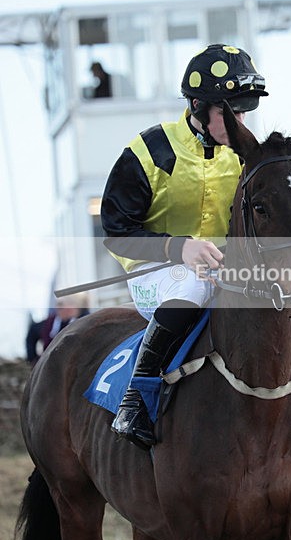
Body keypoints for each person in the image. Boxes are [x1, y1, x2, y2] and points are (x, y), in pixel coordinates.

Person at [101, 44, 268, 448]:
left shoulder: (244, 154)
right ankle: (134, 399)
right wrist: (180, 250)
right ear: (197, 105)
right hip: (154, 272)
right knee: (193, 286)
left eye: (243, 112)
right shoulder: (149, 151)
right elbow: (115, 232)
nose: (239, 121)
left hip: (223, 267)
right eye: (229, 112)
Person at [25, 296, 88, 365]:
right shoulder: (50, 323)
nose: (58, 309)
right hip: (51, 364)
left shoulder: (86, 323)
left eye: (61, 306)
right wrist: (34, 360)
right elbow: (31, 335)